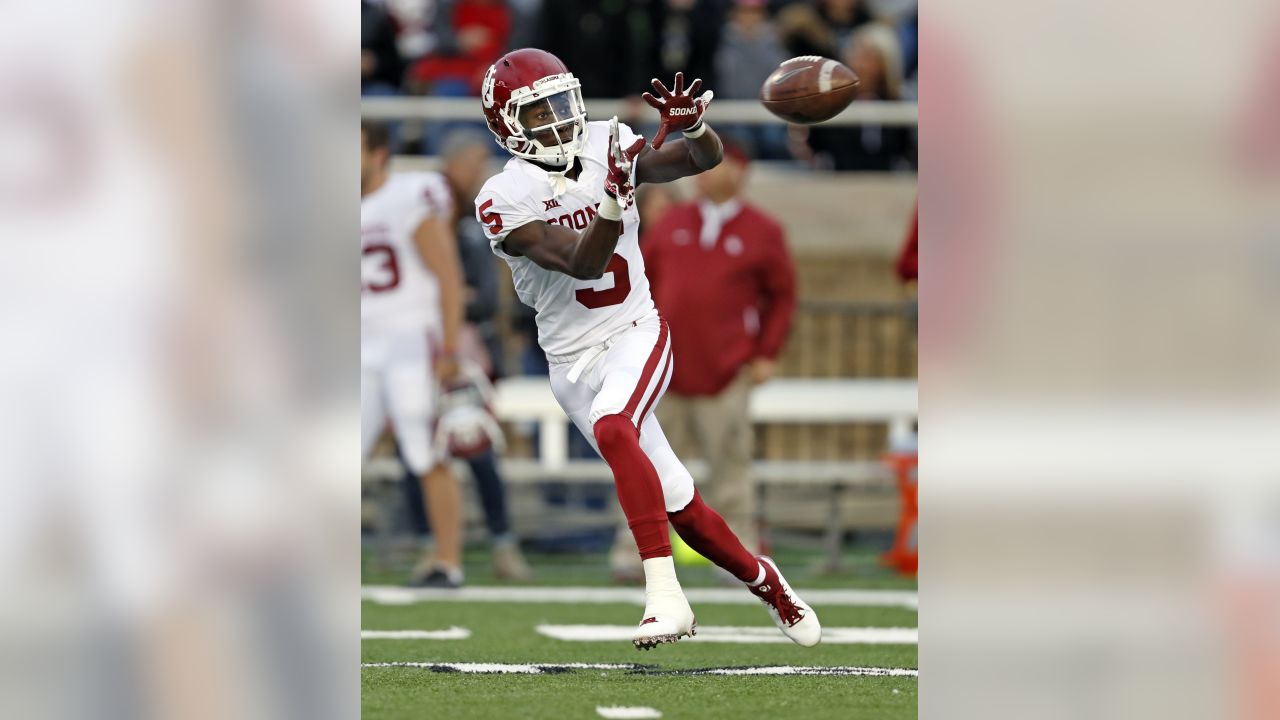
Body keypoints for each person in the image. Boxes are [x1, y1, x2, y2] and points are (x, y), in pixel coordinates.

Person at [473, 48, 821, 649]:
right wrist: (611, 197)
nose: (558, 121)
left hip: (635, 332)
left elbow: (697, 159)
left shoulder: (605, 141)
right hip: (571, 361)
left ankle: (664, 596)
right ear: (507, 125)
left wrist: (694, 126)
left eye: (562, 102)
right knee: (680, 501)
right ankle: (769, 583)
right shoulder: (503, 196)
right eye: (539, 112)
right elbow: (580, 263)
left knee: (614, 427)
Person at [611, 142, 796, 575]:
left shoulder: (763, 230)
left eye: (719, 164)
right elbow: (641, 283)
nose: (707, 172)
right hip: (662, 369)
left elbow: (783, 296)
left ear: (741, 171)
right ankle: (632, 552)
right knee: (642, 466)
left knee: (730, 469)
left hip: (725, 369)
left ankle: (738, 558)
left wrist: (766, 352)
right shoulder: (672, 222)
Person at [361, 119, 469, 588]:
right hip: (358, 343)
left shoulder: (409, 197)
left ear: (378, 153)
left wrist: (448, 346)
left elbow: (447, 274)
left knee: (425, 452)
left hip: (409, 338)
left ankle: (447, 562)